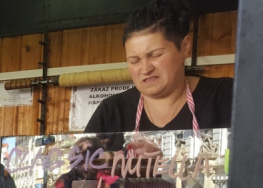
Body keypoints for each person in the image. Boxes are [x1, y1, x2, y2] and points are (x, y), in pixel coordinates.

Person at [85, 0, 232, 134]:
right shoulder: (111, 112)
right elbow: (81, 160)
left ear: (185, 47)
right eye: (135, 60)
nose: (145, 69)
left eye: (155, 55)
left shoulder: (223, 96)